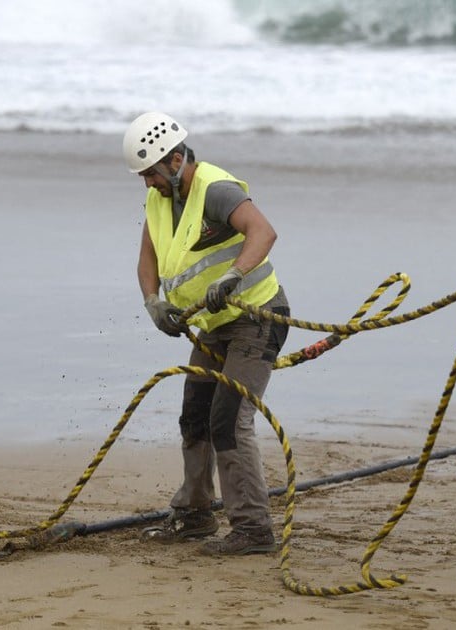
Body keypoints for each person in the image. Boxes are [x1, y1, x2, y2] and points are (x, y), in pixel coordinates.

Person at [125, 111, 290, 556]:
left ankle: (254, 529)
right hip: (213, 329)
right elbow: (148, 261)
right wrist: (153, 303)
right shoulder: (160, 201)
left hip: (257, 319)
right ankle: (195, 515)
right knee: (195, 415)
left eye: (151, 174)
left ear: (175, 161)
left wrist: (234, 276)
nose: (148, 184)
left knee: (228, 420)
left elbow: (263, 232)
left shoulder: (215, 190)